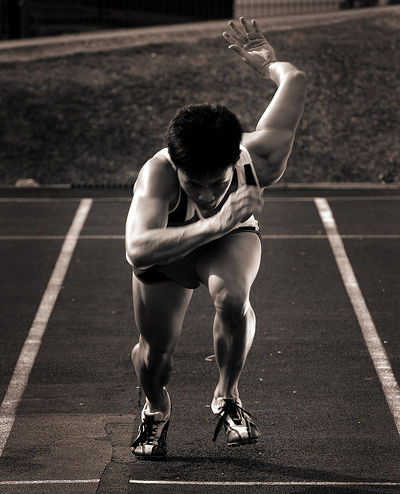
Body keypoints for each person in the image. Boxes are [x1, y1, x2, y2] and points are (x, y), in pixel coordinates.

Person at [125, 17, 307, 459]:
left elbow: (295, 80)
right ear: (177, 168)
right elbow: (137, 249)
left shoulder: (260, 158)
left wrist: (268, 64)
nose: (206, 195)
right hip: (167, 250)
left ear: (235, 161)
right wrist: (215, 220)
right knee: (156, 356)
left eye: (217, 182)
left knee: (232, 298)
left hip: (228, 239)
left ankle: (227, 396)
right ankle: (155, 408)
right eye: (194, 184)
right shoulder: (157, 175)